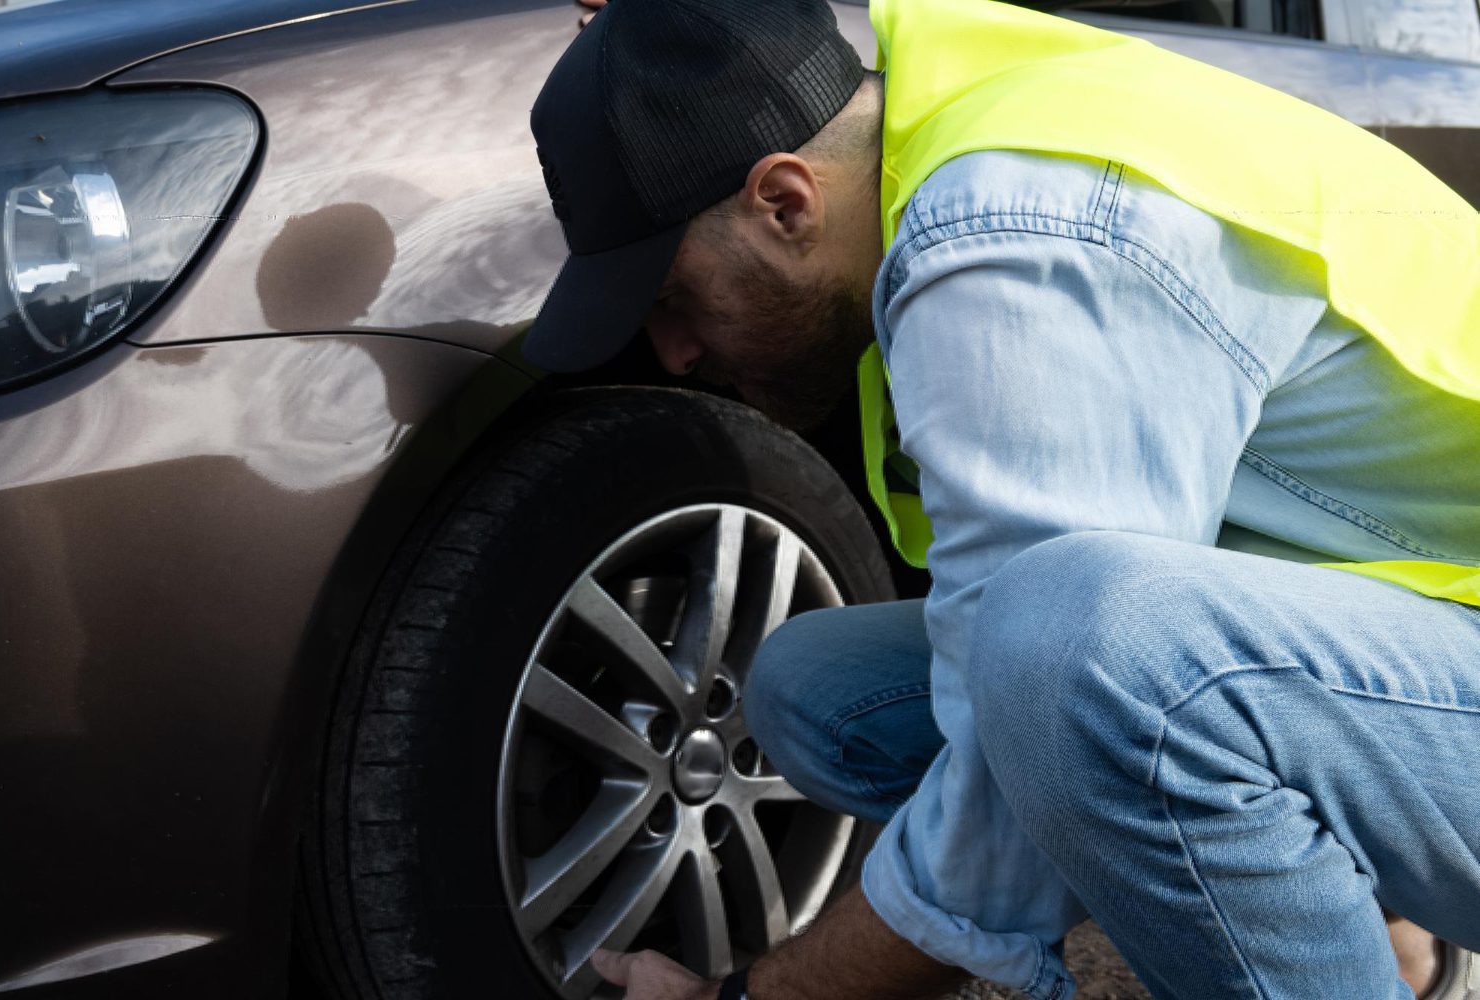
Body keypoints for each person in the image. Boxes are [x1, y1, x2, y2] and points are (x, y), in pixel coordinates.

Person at [521, 0, 1480, 997]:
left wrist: (757, 995)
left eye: (675, 297)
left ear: (785, 203)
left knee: (1086, 654)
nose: (673, 352)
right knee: (819, 688)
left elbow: (1031, 741)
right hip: (1412, 616)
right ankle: (1400, 947)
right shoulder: (940, 115)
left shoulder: (1010, 232)